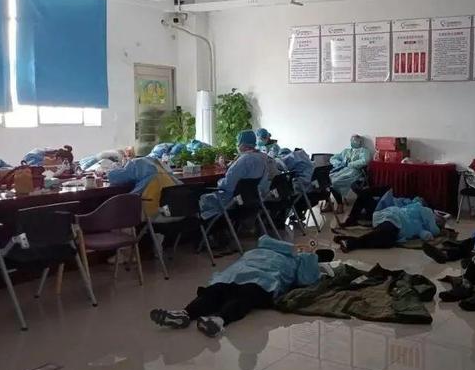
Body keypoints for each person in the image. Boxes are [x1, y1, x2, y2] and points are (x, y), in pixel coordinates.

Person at [150, 235, 334, 337]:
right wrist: (293, 247)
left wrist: (310, 255)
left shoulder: (303, 259)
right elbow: (263, 239)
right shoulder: (273, 246)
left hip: (265, 279)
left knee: (244, 295)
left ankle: (219, 320)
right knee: (215, 291)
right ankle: (184, 314)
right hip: (240, 271)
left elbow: (306, 279)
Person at [199, 130, 269, 220]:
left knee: (201, 198)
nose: (237, 145)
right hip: (253, 200)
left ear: (242, 144)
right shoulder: (262, 158)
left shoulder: (244, 160)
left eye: (238, 143)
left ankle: (206, 226)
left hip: (233, 201)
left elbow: (228, 185)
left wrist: (218, 182)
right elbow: (263, 182)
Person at [333, 201, 444, 253]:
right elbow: (435, 231)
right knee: (384, 235)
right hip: (395, 219)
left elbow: (424, 233)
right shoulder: (426, 211)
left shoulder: (421, 222)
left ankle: (350, 240)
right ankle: (351, 243)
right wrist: (439, 225)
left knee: (388, 241)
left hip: (394, 222)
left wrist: (426, 233)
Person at [107, 156, 181, 217]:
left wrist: (112, 170)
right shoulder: (160, 165)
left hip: (152, 213)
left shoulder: (137, 163)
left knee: (116, 208)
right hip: (175, 212)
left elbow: (116, 178)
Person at [325, 135, 371, 214]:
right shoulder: (346, 151)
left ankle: (340, 205)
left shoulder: (364, 151)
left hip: (354, 171)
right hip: (342, 170)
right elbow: (333, 158)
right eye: (352, 140)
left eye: (356, 140)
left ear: (360, 142)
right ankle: (329, 203)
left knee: (334, 182)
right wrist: (339, 163)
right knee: (325, 180)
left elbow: (365, 161)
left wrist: (350, 164)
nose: (354, 142)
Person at [340, 186, 423, 227]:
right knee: (368, 193)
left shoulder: (416, 208)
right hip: (385, 204)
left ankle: (352, 219)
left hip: (384, 210)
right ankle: (353, 218)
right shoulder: (411, 202)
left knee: (364, 194)